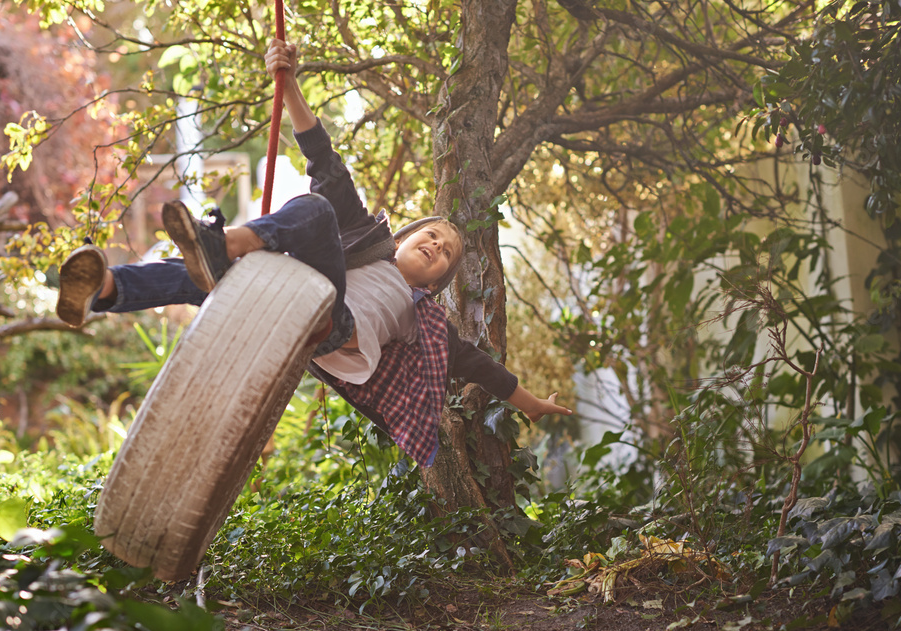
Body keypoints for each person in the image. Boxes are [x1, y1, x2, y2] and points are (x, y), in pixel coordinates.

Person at [55, 38, 571, 467]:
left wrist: (531, 404)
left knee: (310, 215)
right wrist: (290, 84)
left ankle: (222, 246)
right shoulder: (365, 236)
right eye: (431, 235)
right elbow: (324, 158)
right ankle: (106, 289)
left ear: (433, 284)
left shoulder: (426, 321)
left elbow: (481, 366)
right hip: (288, 302)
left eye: (446, 252)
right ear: (402, 239)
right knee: (232, 270)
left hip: (334, 330)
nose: (436, 244)